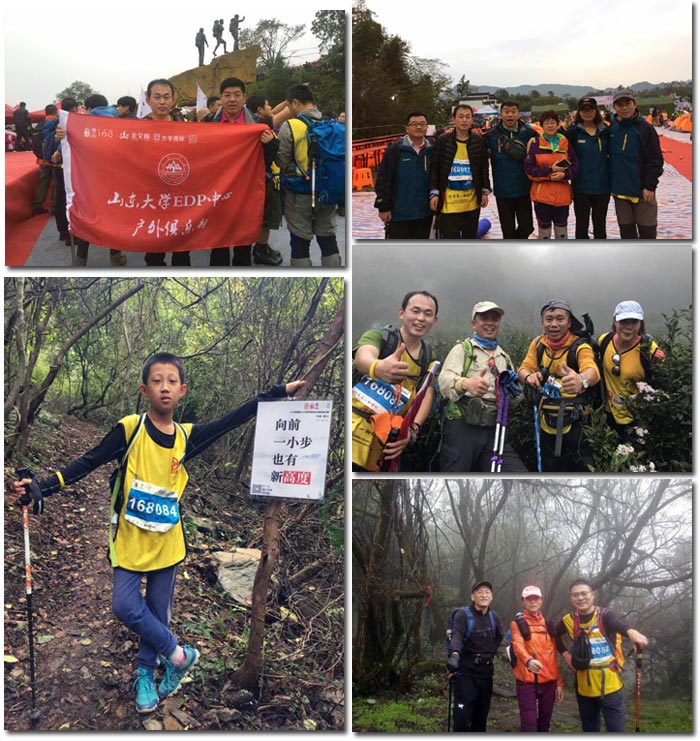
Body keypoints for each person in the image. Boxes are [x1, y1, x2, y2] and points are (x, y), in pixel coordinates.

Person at [12, 353, 305, 715]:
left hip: (168, 542)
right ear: (144, 388)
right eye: (156, 380)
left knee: (157, 612)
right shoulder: (129, 429)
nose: (164, 387)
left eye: (171, 381)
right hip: (131, 540)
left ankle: (146, 674)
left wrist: (276, 393)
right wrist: (42, 487)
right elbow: (88, 462)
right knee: (124, 605)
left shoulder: (186, 437)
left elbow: (233, 420)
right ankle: (179, 655)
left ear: (182, 390)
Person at [351, 291, 439, 472]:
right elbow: (362, 356)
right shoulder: (382, 337)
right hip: (353, 429)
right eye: (415, 311)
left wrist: (412, 430)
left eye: (428, 314)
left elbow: (427, 393)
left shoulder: (428, 357)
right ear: (402, 313)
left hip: (386, 442)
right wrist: (377, 367)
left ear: (434, 320)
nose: (421, 318)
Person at [438, 301, 526, 472]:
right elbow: (443, 382)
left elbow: (513, 401)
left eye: (495, 319)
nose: (490, 323)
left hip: (495, 428)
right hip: (462, 427)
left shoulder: (504, 357)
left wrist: (515, 391)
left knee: (517, 474)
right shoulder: (462, 350)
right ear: (473, 323)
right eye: (484, 318)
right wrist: (465, 384)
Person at [555, 579, 648, 733]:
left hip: (611, 687)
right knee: (590, 730)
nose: (580, 598)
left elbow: (618, 624)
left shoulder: (605, 615)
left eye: (584, 593)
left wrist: (631, 632)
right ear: (571, 598)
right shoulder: (568, 620)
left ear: (592, 595)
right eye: (575, 595)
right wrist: (565, 654)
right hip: (584, 687)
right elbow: (555, 635)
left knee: (616, 730)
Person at [518, 300, 600, 472]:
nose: (554, 324)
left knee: (585, 468)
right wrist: (528, 376)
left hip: (576, 421)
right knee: (549, 468)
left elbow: (592, 371)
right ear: (543, 322)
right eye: (549, 319)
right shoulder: (538, 344)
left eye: (560, 319)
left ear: (569, 322)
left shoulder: (580, 346)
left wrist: (581, 380)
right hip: (545, 420)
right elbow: (524, 368)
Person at [210, 78, 278, 266]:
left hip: (245, 196)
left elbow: (270, 160)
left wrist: (270, 144)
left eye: (237, 95)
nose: (232, 99)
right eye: (227, 95)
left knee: (243, 249)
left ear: (244, 98)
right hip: (219, 196)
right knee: (218, 249)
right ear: (221, 98)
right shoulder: (207, 124)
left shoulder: (258, 125)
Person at [276, 84, 342, 267]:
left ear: (295, 103)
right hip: (328, 191)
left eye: (289, 106)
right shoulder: (333, 124)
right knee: (328, 239)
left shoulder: (290, 126)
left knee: (300, 242)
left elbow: (281, 160)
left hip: (300, 193)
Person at [597, 300, 664, 441]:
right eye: (623, 322)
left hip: (636, 418)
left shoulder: (647, 348)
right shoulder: (604, 341)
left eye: (634, 322)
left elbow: (661, 368)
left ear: (640, 324)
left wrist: (658, 360)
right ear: (615, 322)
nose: (629, 327)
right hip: (608, 414)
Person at [141, 80, 189, 267]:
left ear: (173, 100)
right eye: (157, 97)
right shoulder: (135, 129)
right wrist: (70, 134)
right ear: (148, 100)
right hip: (151, 198)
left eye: (166, 97)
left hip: (181, 196)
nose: (162, 102)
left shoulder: (189, 127)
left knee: (182, 253)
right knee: (153, 253)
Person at [447, 580, 504, 732]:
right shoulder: (463, 615)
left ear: (491, 597)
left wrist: (490, 652)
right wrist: (454, 654)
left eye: (487, 592)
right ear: (473, 597)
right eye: (480, 592)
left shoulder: (495, 617)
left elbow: (499, 636)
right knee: (462, 718)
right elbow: (457, 635)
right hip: (466, 675)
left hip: (486, 675)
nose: (484, 595)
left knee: (481, 719)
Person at [607, 89, 664, 239]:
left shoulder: (645, 129)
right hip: (620, 192)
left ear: (635, 104)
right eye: (620, 105)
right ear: (614, 107)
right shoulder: (612, 128)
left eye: (627, 103)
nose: (624, 108)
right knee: (627, 233)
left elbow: (655, 160)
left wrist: (650, 186)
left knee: (647, 233)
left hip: (642, 192)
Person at [429, 104, 490, 239]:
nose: (464, 120)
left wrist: (485, 191)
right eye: (461, 117)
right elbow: (435, 169)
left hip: (472, 201)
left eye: (468, 117)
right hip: (449, 202)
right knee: (451, 238)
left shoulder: (479, 141)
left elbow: (483, 167)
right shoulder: (442, 141)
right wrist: (434, 192)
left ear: (472, 120)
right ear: (453, 119)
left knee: (470, 237)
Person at [509, 586, 564, 732]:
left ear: (541, 600)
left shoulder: (548, 624)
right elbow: (517, 646)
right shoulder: (517, 624)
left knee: (544, 725)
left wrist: (559, 682)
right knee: (529, 726)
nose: (533, 602)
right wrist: (528, 661)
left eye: (536, 598)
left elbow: (553, 656)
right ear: (523, 601)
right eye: (529, 599)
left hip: (549, 683)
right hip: (527, 682)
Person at [374, 111, 433, 239]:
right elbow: (383, 180)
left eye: (422, 124)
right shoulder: (395, 150)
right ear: (407, 128)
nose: (418, 127)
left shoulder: (432, 150)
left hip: (425, 213)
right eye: (414, 124)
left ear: (427, 127)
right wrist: (383, 207)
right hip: (400, 213)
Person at [483, 101, 538, 239]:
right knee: (507, 231)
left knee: (527, 227)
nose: (510, 114)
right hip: (503, 191)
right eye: (506, 111)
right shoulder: (491, 135)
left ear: (518, 114)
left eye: (513, 111)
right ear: (501, 114)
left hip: (523, 188)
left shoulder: (529, 133)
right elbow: (480, 159)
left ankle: (515, 245)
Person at [524, 110, 579, 239]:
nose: (550, 125)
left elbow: (575, 166)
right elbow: (529, 170)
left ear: (558, 124)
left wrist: (565, 175)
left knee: (562, 231)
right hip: (542, 195)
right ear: (541, 125)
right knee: (544, 233)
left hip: (562, 195)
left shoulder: (565, 142)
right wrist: (550, 170)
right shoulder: (535, 144)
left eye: (553, 122)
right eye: (547, 123)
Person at [564, 97, 610, 239]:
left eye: (591, 109)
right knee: (582, 225)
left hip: (603, 186)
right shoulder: (573, 133)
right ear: (579, 112)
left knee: (600, 224)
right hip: (581, 187)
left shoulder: (606, 131)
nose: (588, 112)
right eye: (584, 110)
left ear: (596, 111)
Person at [44, 97, 79, 244]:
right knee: (70, 199)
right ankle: (72, 234)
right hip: (68, 166)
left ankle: (63, 232)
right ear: (73, 110)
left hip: (56, 166)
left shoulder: (48, 125)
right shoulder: (66, 124)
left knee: (61, 199)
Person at [31, 104, 58, 217]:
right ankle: (54, 209)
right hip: (55, 159)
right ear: (56, 112)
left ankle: (37, 206)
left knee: (43, 183)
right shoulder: (57, 123)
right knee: (56, 184)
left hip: (42, 159)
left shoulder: (39, 125)